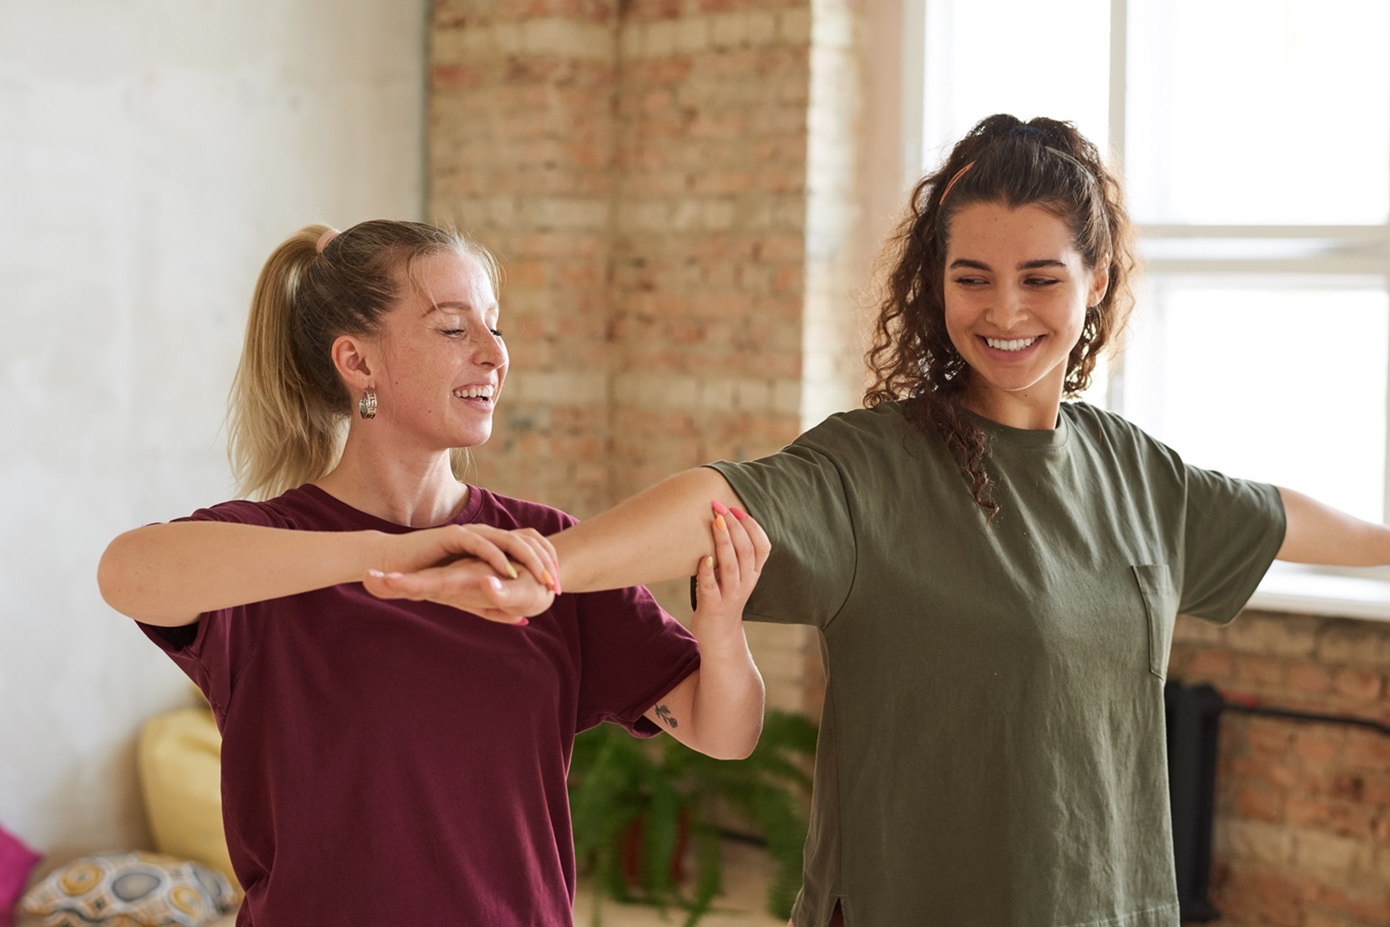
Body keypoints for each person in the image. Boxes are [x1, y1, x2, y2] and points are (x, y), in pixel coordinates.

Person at [368, 116, 1390, 927]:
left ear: (1097, 282)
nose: (1004, 311)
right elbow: (719, 500)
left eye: (1040, 277)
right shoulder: (878, 465)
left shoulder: (1134, 473)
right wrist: (548, 565)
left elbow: (1274, 517)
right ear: (932, 281)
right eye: (970, 277)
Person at [96, 219, 770, 927]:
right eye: (454, 330)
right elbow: (126, 572)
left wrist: (721, 630)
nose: (493, 354)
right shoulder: (269, 556)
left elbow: (724, 731)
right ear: (358, 362)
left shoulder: (543, 549)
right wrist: (386, 552)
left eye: (496, 327)